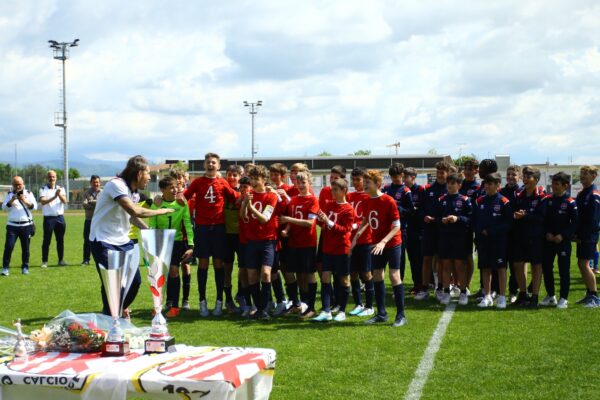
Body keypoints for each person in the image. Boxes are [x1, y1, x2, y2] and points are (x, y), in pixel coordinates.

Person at [90, 155, 174, 316]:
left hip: (123, 241)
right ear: (138, 173)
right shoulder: (117, 185)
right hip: (104, 241)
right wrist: (160, 211)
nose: (150, 177)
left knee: (135, 282)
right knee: (114, 284)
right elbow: (133, 210)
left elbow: (131, 217)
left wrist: (148, 231)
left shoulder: (133, 193)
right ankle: (111, 319)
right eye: (148, 173)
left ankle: (115, 311)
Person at [182, 153, 239, 317]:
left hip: (219, 229)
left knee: (219, 264)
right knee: (203, 264)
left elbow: (236, 198)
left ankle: (219, 302)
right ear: (204, 165)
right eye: (208, 162)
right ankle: (202, 302)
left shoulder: (223, 182)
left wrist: (254, 193)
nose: (211, 164)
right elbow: (182, 198)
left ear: (218, 166)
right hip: (202, 228)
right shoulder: (197, 183)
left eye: (214, 162)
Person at [353, 169, 407, 327]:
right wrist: (357, 235)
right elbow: (366, 219)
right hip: (376, 244)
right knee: (377, 275)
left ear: (377, 184)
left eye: (367, 182)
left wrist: (383, 242)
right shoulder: (367, 200)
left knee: (394, 276)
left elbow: (397, 226)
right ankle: (381, 314)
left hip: (391, 242)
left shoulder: (388, 201)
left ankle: (401, 315)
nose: (364, 185)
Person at [149, 175, 194, 318]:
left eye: (176, 187)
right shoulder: (157, 204)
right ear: (162, 190)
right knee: (158, 274)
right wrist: (152, 242)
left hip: (176, 242)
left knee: (174, 271)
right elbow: (152, 225)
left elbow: (187, 224)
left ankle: (175, 307)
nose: (175, 190)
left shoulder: (182, 204)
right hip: (160, 241)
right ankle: (157, 306)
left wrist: (191, 245)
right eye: (171, 187)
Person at [313, 178, 355, 322]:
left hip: (341, 249)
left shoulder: (349, 209)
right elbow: (321, 222)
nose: (333, 192)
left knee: (344, 279)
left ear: (344, 191)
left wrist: (328, 221)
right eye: (332, 189)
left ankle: (342, 310)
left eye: (336, 189)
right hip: (328, 248)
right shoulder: (329, 204)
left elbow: (345, 230)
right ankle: (326, 310)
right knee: (325, 277)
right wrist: (320, 219)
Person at [241, 165, 280, 320]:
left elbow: (265, 218)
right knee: (251, 276)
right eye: (252, 179)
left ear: (264, 180)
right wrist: (245, 203)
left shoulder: (271, 196)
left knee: (265, 273)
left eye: (257, 179)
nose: (254, 182)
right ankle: (259, 308)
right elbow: (244, 217)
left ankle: (264, 308)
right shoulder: (249, 194)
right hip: (251, 241)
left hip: (267, 241)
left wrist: (250, 206)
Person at [280, 171, 319, 318]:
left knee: (309, 274)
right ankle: (296, 304)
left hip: (307, 243)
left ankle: (311, 307)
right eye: (298, 182)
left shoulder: (313, 200)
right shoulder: (294, 200)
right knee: (289, 273)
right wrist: (287, 230)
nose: (301, 185)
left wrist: (288, 219)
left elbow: (309, 223)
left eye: (304, 182)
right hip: (293, 242)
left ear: (310, 183)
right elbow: (292, 220)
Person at [473, 173, 512, 309]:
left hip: (499, 241)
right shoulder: (479, 201)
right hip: (483, 241)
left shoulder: (504, 201)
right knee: (485, 268)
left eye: (490, 184)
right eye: (486, 184)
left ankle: (502, 297)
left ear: (497, 185)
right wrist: (479, 233)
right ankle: (487, 295)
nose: (487, 186)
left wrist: (491, 231)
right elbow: (475, 220)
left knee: (501, 268)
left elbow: (508, 223)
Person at [541, 172, 578, 309]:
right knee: (547, 268)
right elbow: (543, 220)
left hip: (562, 241)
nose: (554, 187)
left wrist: (563, 235)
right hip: (549, 240)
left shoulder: (570, 202)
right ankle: (551, 295)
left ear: (565, 186)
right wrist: (547, 233)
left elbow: (574, 223)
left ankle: (564, 298)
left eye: (557, 184)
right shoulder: (548, 200)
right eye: (553, 184)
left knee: (563, 270)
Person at [511, 166, 546, 308]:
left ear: (536, 180)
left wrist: (525, 216)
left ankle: (535, 297)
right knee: (517, 264)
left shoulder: (542, 196)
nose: (525, 179)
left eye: (528, 177)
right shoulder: (518, 195)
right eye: (524, 177)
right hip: (520, 236)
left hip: (536, 237)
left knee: (536, 266)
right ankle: (523, 294)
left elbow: (542, 217)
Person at [415, 161, 450, 300]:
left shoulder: (450, 189)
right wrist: (424, 217)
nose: (440, 175)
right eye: (438, 172)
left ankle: (440, 287)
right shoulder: (427, 189)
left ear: (448, 173)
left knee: (442, 260)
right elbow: (420, 210)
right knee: (427, 259)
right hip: (429, 230)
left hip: (444, 230)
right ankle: (424, 288)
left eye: (443, 172)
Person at [437, 173, 472, 306]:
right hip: (445, 238)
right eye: (448, 183)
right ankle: (446, 292)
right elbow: (437, 219)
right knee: (446, 265)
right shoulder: (441, 199)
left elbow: (470, 219)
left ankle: (463, 292)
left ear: (459, 185)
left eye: (453, 183)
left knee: (459, 265)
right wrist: (443, 220)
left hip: (460, 238)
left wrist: (458, 219)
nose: (450, 186)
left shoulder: (464, 200)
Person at [346, 167, 375, 317]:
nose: (356, 182)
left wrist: (357, 225)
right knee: (352, 273)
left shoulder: (368, 197)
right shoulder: (349, 196)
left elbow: (369, 218)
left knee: (366, 273)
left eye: (359, 180)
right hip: (350, 241)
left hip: (364, 240)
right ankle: (358, 304)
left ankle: (370, 305)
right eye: (354, 180)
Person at [383, 163, 415, 281]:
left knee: (399, 258)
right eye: (392, 176)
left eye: (397, 176)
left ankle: (398, 282)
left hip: (400, 230)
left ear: (402, 175)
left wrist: (398, 208)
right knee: (382, 256)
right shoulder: (386, 189)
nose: (395, 179)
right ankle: (379, 282)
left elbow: (411, 211)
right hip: (385, 229)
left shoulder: (406, 191)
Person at [574, 165, 600, 307]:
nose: (582, 176)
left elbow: (593, 220)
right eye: (581, 173)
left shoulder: (594, 194)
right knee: (581, 263)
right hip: (582, 235)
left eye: (586, 173)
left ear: (594, 176)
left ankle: (595, 297)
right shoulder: (582, 193)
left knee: (584, 264)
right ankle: (589, 293)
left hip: (588, 236)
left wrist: (583, 235)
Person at [1, 176, 37, 276]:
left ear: (23, 183)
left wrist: (24, 200)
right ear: (12, 185)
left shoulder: (29, 193)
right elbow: (4, 208)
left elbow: (35, 207)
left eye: (19, 184)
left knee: (25, 248)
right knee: (9, 246)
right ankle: (5, 268)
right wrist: (12, 200)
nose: (17, 186)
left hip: (26, 225)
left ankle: (25, 267)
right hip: (12, 226)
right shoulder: (9, 194)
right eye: (15, 184)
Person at [223, 165, 244, 313]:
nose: (231, 177)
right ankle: (228, 300)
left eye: (235, 175)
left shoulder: (245, 191)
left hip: (242, 235)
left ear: (240, 177)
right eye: (229, 174)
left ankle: (241, 295)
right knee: (227, 268)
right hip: (226, 235)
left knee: (243, 268)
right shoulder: (221, 191)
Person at [500, 165, 522, 302]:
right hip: (502, 233)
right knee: (501, 265)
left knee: (515, 265)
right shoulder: (501, 192)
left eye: (514, 175)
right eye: (508, 174)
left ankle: (513, 291)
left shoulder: (521, 192)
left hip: (516, 234)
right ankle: (497, 291)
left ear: (519, 177)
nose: (510, 177)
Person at [39, 170, 67, 268]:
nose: (52, 178)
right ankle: (44, 261)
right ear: (47, 178)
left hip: (60, 217)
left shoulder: (61, 188)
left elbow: (65, 201)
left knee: (60, 240)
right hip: (49, 218)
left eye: (53, 177)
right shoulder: (43, 189)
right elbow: (42, 201)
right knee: (47, 240)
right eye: (50, 177)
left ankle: (61, 260)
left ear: (56, 178)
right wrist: (55, 196)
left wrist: (59, 195)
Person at [403, 167, 423, 294]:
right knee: (412, 259)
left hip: (417, 230)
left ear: (413, 178)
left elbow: (420, 209)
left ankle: (422, 284)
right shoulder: (402, 190)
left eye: (406, 177)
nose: (404, 179)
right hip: (406, 229)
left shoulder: (420, 190)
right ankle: (417, 284)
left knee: (418, 258)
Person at [82, 175, 101, 266]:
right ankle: (86, 260)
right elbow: (84, 204)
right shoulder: (86, 193)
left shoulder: (104, 192)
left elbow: (102, 204)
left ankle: (101, 259)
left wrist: (91, 201)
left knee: (101, 240)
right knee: (87, 240)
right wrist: (97, 204)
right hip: (89, 220)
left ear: (99, 183)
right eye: (94, 182)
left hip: (101, 221)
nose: (95, 184)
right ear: (91, 183)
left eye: (97, 182)